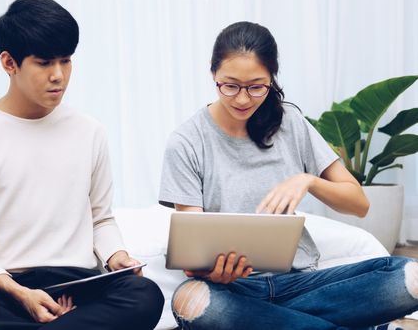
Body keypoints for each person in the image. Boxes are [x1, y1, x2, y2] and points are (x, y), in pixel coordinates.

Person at [158, 21, 418, 329]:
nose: (243, 99)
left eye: (256, 86)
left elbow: (358, 203)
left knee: (408, 277)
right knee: (192, 302)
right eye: (230, 85)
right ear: (213, 74)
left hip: (302, 284)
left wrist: (308, 179)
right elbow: (193, 252)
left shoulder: (290, 123)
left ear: (271, 78)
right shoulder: (186, 141)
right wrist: (213, 272)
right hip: (233, 291)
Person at [0, 0, 163, 330]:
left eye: (66, 61)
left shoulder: (90, 132)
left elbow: (101, 219)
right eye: (44, 63)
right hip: (5, 287)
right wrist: (20, 293)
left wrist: (117, 256)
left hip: (78, 284)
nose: (58, 75)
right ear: (9, 62)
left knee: (145, 295)